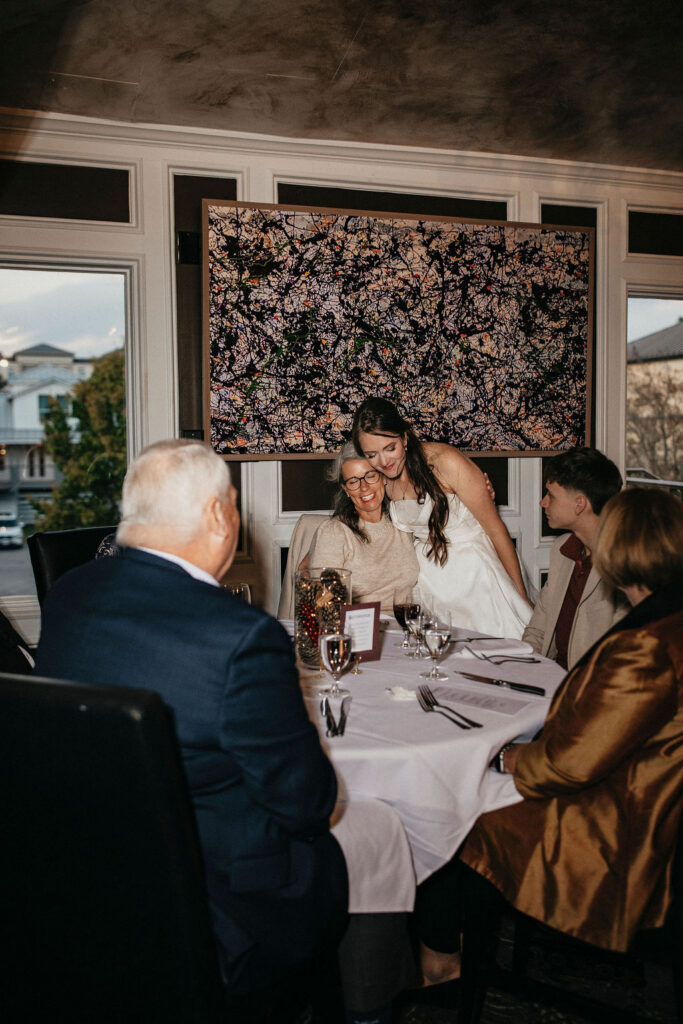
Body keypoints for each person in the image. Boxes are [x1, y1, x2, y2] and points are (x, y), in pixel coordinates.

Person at [34, 440, 348, 1006]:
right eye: (232, 503)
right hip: (216, 910)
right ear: (214, 515)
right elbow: (307, 803)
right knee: (365, 839)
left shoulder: (68, 594)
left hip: (82, 880)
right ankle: (374, 1001)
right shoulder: (238, 636)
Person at [419, 487, 683, 968]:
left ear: (619, 548)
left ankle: (444, 957)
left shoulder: (646, 647)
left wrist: (500, 758)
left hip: (612, 831)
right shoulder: (669, 618)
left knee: (447, 805)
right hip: (641, 799)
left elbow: (568, 765)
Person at [352, 397, 533, 638]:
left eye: (390, 448)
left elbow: (496, 530)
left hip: (477, 579)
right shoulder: (378, 477)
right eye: (372, 454)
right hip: (430, 585)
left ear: (404, 438)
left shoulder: (444, 462)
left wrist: (519, 597)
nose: (384, 462)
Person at [523, 446, 629, 669]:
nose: (543, 503)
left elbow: (621, 656)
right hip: (550, 680)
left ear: (580, 504)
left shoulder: (623, 562)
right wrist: (523, 673)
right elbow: (538, 631)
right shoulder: (562, 550)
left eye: (551, 495)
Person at [308, 441, 419, 614]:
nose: (364, 487)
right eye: (353, 481)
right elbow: (323, 600)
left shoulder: (403, 521)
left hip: (407, 625)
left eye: (370, 475)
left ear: (383, 477)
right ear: (345, 489)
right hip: (359, 629)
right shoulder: (335, 532)